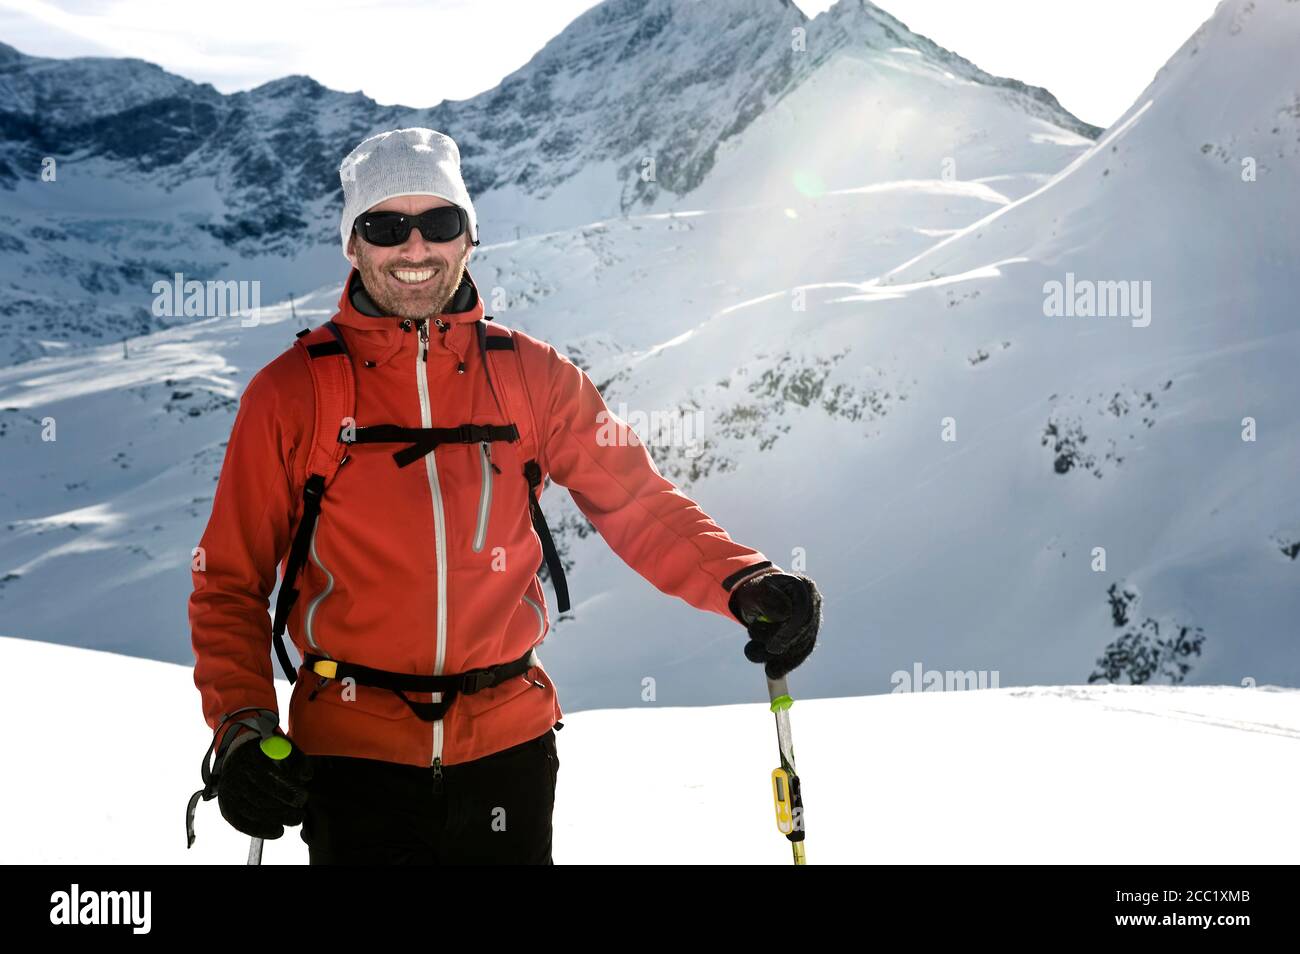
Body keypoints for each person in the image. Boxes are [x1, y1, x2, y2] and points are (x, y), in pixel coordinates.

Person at [188, 127, 822, 865]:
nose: (416, 247)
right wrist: (240, 728)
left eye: (440, 222)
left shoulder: (532, 376)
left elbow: (634, 500)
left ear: (470, 237)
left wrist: (742, 579)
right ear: (353, 245)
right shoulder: (294, 392)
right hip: (350, 761)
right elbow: (229, 582)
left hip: (509, 755)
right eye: (386, 225)